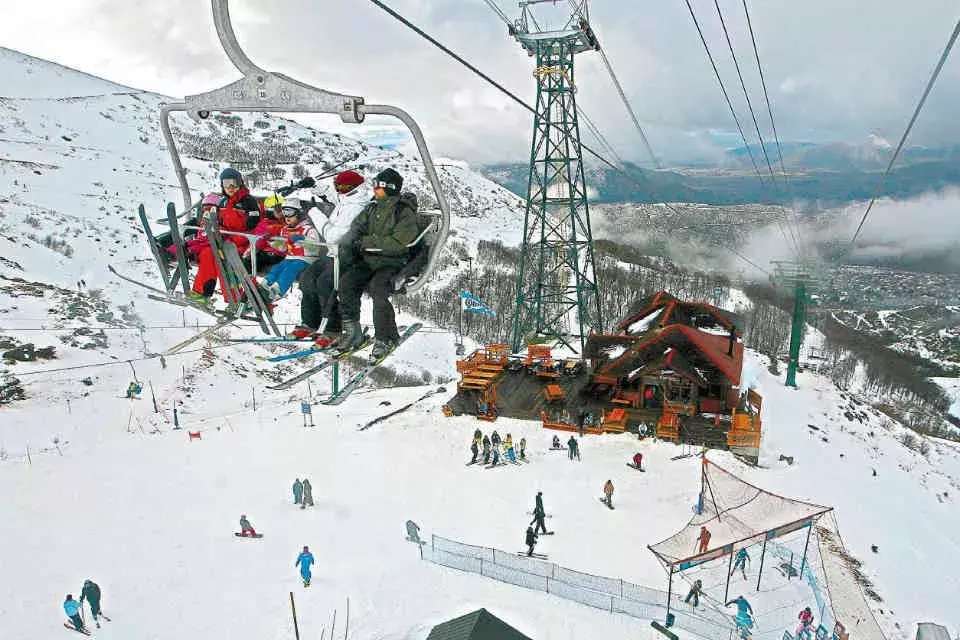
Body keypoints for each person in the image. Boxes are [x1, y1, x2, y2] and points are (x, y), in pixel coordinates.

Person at [336, 168, 421, 360]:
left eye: (378, 186)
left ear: (389, 188)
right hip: (369, 260)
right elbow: (357, 227)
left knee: (379, 289)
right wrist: (351, 240)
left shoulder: (403, 212)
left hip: (393, 262)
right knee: (346, 283)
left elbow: (399, 243)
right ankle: (353, 332)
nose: (374, 189)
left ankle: (386, 337)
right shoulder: (372, 208)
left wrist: (367, 241)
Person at [293, 170, 369, 341]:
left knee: (326, 282)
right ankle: (310, 323)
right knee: (307, 277)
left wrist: (313, 211)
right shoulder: (347, 198)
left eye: (342, 187)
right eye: (338, 186)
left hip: (347, 254)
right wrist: (314, 186)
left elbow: (333, 236)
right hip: (331, 252)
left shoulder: (358, 207)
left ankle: (333, 329)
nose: (339, 190)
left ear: (354, 188)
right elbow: (331, 194)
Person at [188, 168, 261, 305]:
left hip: (243, 243)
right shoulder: (222, 203)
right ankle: (202, 293)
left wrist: (231, 238)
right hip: (226, 241)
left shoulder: (249, 202)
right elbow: (220, 223)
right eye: (227, 183)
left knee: (222, 259)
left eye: (234, 182)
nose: (231, 187)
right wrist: (219, 232)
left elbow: (255, 229)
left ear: (240, 183)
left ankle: (235, 299)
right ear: (222, 185)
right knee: (207, 253)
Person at [256, 198, 321, 302]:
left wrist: (303, 239)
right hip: (290, 257)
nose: (287, 217)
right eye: (284, 213)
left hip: (306, 259)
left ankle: (278, 290)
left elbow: (315, 247)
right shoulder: (285, 230)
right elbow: (283, 248)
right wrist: (272, 241)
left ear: (299, 214)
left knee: (290, 269)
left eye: (290, 213)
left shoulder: (308, 229)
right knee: (277, 267)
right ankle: (265, 285)